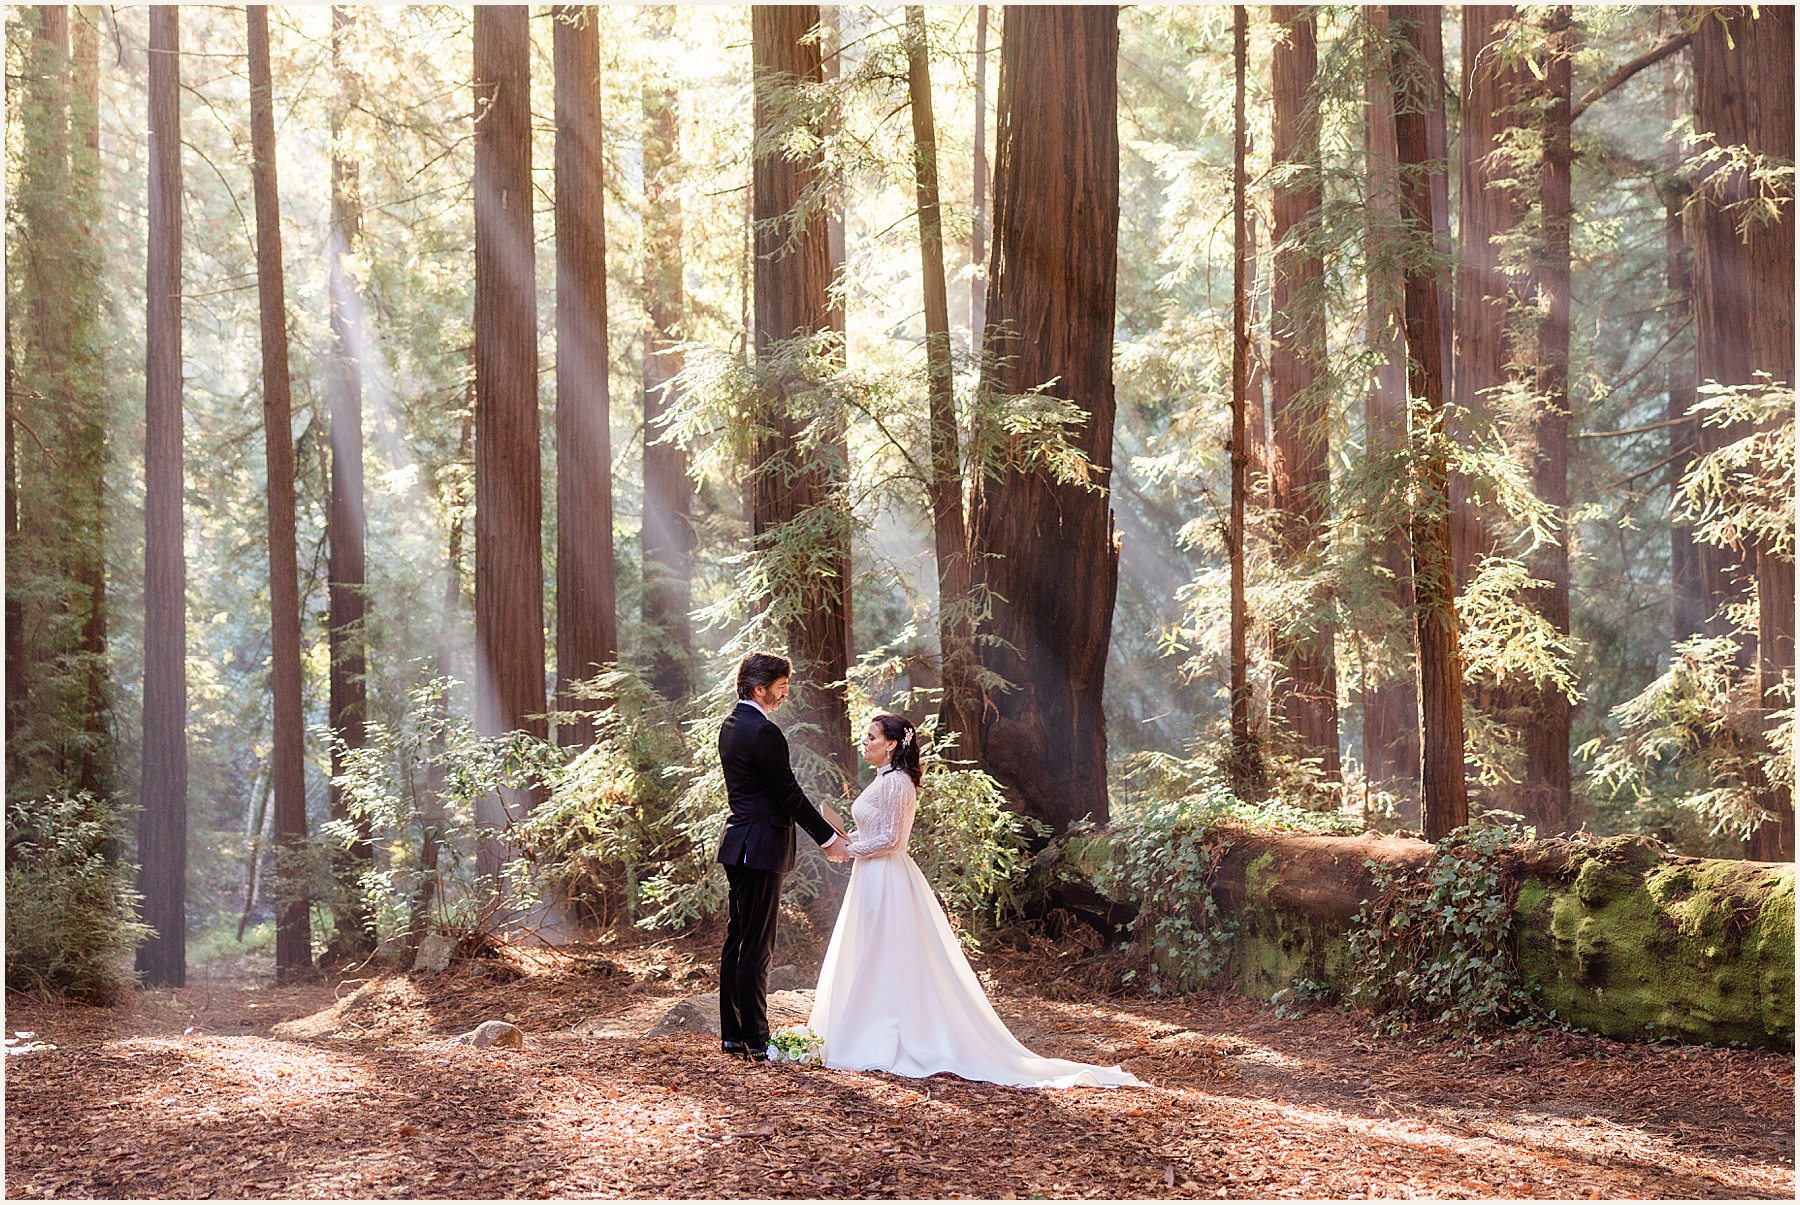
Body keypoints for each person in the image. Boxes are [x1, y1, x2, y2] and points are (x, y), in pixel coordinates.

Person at [809, 712, 1145, 1089]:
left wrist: (848, 847)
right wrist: (848, 838)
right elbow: (877, 830)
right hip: (870, 876)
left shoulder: (899, 783)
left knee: (888, 951)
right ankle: (866, 1025)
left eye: (871, 737)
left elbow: (891, 840)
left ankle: (891, 1034)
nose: (864, 742)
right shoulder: (883, 780)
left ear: (891, 744)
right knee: (870, 949)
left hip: (886, 875)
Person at [716, 651, 849, 1061]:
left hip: (739, 842)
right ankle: (756, 1039)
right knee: (757, 945)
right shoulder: (763, 731)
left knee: (738, 939)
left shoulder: (730, 725)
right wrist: (828, 838)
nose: (784, 694)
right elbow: (788, 793)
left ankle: (733, 1036)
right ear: (759, 688)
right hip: (760, 848)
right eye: (781, 687)